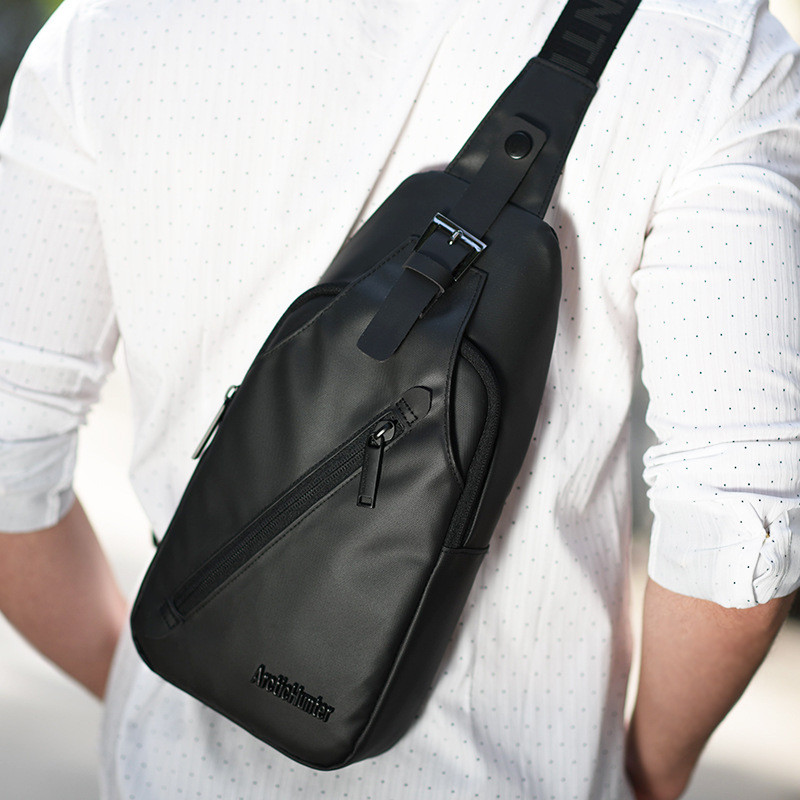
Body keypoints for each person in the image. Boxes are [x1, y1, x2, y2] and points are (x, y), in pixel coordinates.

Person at [1, 1, 798, 798]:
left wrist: (149, 682)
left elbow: (9, 460)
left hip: (162, 770)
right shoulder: (703, 45)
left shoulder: (106, 33)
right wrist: (650, 778)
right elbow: (738, 530)